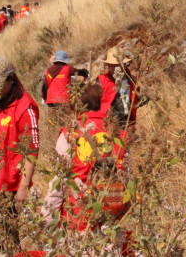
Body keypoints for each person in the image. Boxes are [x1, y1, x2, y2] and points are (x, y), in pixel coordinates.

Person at [40, 84, 131, 252]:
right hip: (112, 223)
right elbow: (127, 181)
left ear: (74, 107)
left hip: (79, 224)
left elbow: (59, 184)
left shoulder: (69, 135)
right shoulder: (119, 135)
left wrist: (47, 219)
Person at [0, 57, 39, 253]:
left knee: (8, 232)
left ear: (11, 80)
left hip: (10, 181)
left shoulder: (25, 108)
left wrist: (23, 187)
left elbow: (32, 150)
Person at [96, 48, 145, 134]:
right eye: (110, 65)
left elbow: (134, 102)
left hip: (128, 124)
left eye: (116, 65)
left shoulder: (133, 80)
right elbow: (94, 104)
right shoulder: (101, 81)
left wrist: (144, 99)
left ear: (124, 65)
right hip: (108, 124)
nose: (113, 68)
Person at [42, 51, 88, 122]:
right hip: (64, 100)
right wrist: (85, 73)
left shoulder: (48, 71)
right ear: (64, 61)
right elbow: (80, 72)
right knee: (65, 120)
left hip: (51, 101)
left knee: (55, 120)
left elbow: (44, 86)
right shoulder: (67, 69)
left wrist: (44, 98)